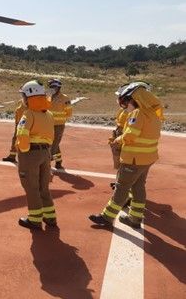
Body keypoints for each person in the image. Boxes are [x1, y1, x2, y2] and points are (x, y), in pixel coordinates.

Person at [89, 84, 163, 229]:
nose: (125, 105)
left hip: (133, 159)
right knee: (138, 187)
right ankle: (135, 218)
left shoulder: (137, 113)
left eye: (126, 101)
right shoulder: (153, 114)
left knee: (122, 188)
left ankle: (107, 217)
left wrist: (117, 140)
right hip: (147, 159)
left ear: (134, 99)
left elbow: (130, 135)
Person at [16, 80, 56, 230]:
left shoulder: (28, 114)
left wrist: (24, 151)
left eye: (23, 96)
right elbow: (51, 136)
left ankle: (34, 219)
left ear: (29, 96)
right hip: (45, 152)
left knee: (31, 188)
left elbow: (22, 134)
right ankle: (50, 217)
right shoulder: (49, 114)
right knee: (43, 187)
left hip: (30, 154)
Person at [47, 79, 72, 170]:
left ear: (59, 87)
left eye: (54, 87)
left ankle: (47, 161)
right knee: (52, 143)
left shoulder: (65, 98)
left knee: (54, 144)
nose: (53, 88)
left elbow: (69, 112)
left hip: (59, 125)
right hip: (48, 124)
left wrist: (61, 119)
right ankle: (58, 161)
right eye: (51, 87)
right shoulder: (48, 97)